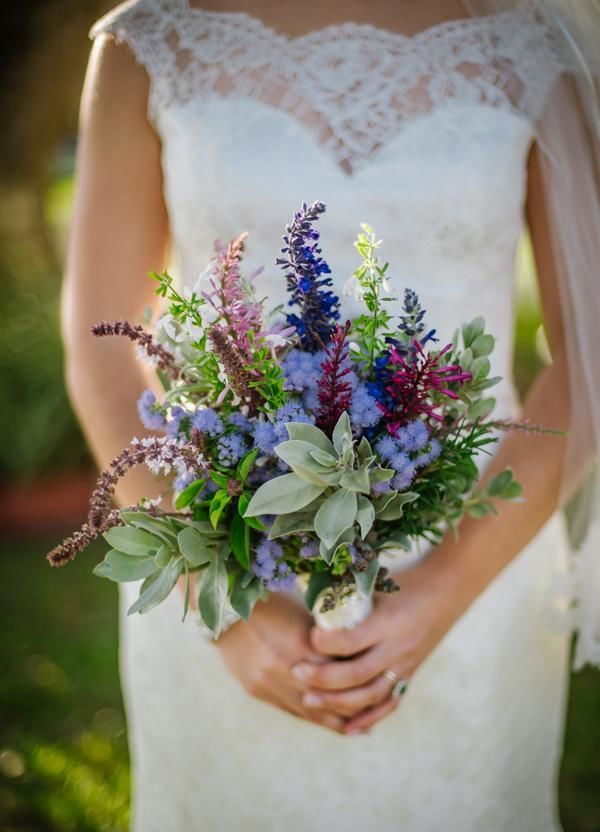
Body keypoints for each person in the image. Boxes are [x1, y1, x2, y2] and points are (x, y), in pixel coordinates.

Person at [62, 0, 600, 828]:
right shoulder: (152, 39)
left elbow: (590, 350)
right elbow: (103, 340)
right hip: (225, 560)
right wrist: (224, 602)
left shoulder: (526, 43)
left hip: (473, 570)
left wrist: (439, 596)